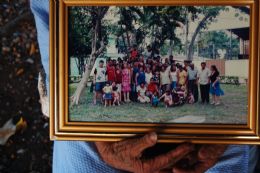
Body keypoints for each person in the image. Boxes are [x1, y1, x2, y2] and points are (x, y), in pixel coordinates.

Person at [31, 1, 259, 173]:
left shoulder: (176, 71)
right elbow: (53, 16)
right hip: (90, 146)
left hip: (220, 145)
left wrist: (236, 126)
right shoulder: (126, 68)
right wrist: (94, 131)